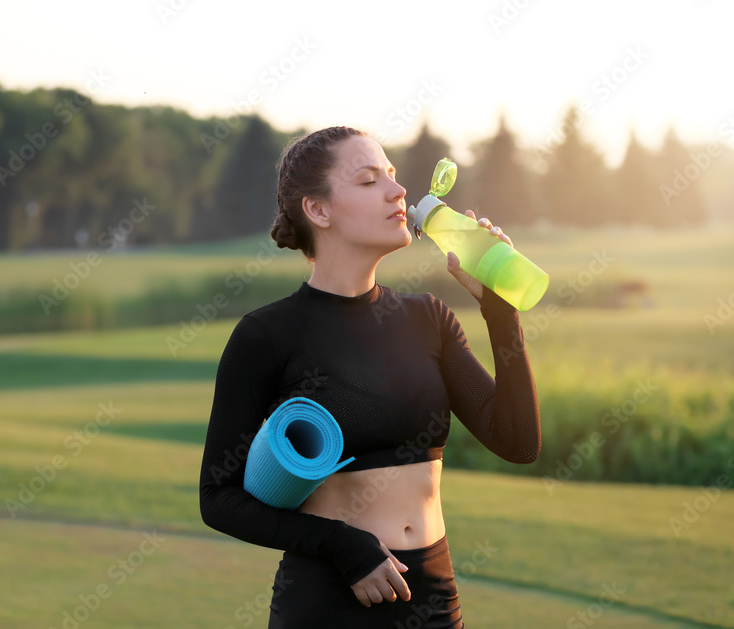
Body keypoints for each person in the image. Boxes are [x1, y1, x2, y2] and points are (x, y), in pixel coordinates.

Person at [198, 126, 541, 628]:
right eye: (368, 180)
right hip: (329, 598)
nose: (398, 191)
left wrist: (501, 311)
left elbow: (518, 441)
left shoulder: (429, 319)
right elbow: (218, 498)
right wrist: (341, 546)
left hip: (433, 601)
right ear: (319, 210)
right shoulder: (267, 335)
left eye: (394, 176)